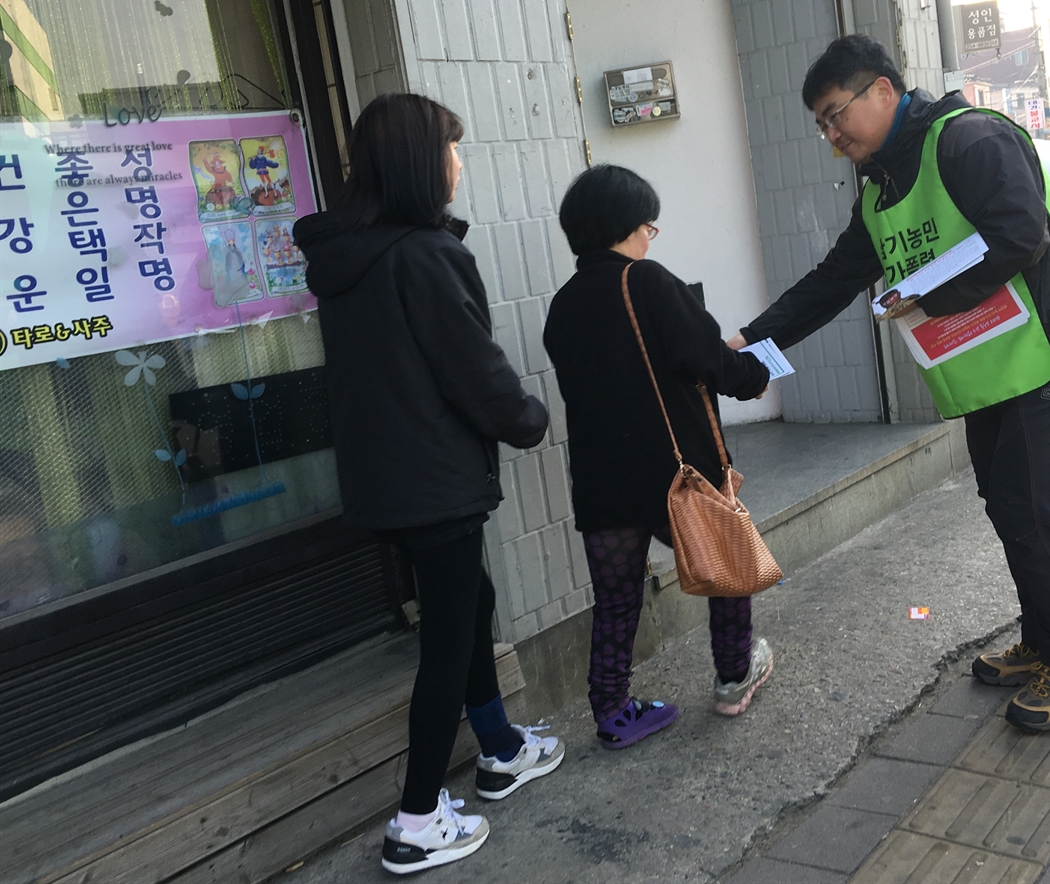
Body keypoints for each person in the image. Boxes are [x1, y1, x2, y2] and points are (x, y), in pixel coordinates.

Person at [726, 35, 1050, 734]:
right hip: (996, 365)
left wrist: (924, 296)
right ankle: (1045, 638)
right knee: (1007, 504)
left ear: (883, 90)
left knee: (1034, 509)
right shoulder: (882, 191)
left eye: (835, 113)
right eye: (820, 123)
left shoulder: (968, 141)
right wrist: (751, 339)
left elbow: (1018, 235)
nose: (831, 133)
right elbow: (834, 281)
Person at [296, 94, 564, 875]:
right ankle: (416, 818)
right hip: (435, 478)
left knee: (470, 603)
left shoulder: (350, 256)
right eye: (452, 149)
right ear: (421, 162)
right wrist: (527, 417)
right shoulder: (421, 254)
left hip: (390, 478)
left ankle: (502, 749)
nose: (459, 163)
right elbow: (473, 368)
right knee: (448, 641)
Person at [543, 164, 774, 748]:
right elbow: (706, 358)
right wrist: (755, 376)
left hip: (602, 479)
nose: (651, 236)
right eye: (650, 225)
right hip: (677, 472)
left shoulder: (562, 305)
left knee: (616, 598)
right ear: (629, 227)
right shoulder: (646, 280)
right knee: (724, 568)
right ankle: (732, 677)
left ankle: (613, 711)